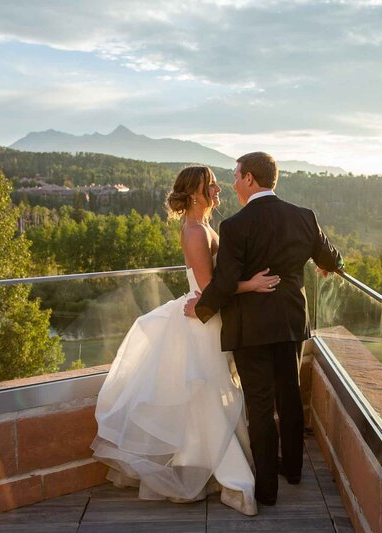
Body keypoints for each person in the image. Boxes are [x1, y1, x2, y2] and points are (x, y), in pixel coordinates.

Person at [91, 165, 279, 516]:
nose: (217, 188)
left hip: (206, 315)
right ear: (195, 192)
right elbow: (209, 289)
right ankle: (228, 477)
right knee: (208, 398)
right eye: (210, 185)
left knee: (207, 399)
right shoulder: (195, 232)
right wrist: (251, 285)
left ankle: (198, 469)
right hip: (201, 321)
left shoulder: (204, 227)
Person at [185, 152, 343, 506]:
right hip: (289, 321)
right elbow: (333, 258)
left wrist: (202, 308)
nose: (233, 182)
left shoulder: (235, 227)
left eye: (237, 175)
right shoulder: (304, 217)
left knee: (259, 406)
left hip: (250, 327)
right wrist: (330, 266)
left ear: (251, 179)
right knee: (289, 397)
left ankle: (267, 490)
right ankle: (295, 471)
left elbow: (224, 283)